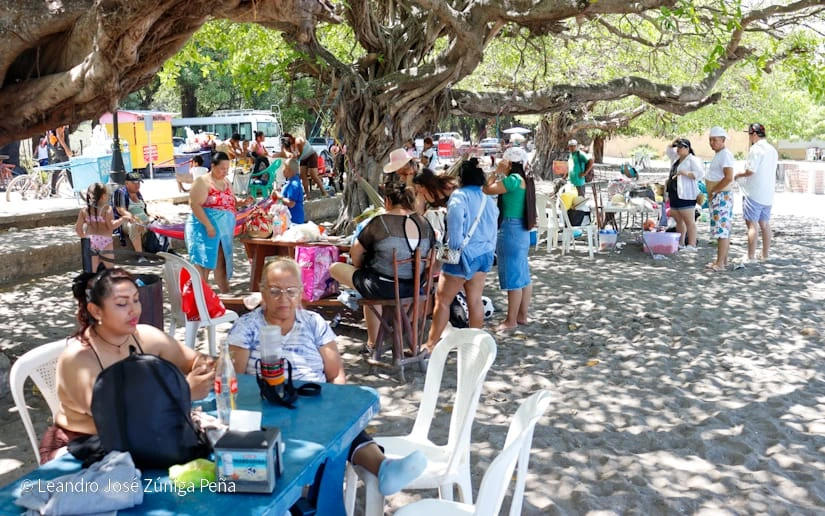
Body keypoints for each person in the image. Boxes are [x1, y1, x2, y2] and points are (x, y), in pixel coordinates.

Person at [226, 258, 427, 496]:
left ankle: (384, 468)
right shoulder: (247, 326)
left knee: (343, 425)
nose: (283, 298)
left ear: (301, 292)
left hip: (313, 401)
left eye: (291, 291)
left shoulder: (313, 323)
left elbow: (336, 373)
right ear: (262, 291)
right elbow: (235, 381)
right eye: (275, 291)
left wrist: (334, 404)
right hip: (266, 406)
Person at [39, 268, 215, 464]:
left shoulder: (145, 336)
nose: (134, 310)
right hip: (83, 446)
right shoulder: (79, 359)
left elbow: (198, 360)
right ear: (96, 310)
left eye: (136, 299)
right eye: (122, 303)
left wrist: (203, 368)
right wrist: (184, 392)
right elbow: (119, 416)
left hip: (144, 437)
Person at [330, 181, 435, 351]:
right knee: (372, 285)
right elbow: (431, 258)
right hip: (415, 288)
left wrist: (360, 269)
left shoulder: (381, 222)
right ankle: (386, 337)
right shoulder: (425, 224)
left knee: (335, 268)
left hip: (383, 286)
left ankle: (373, 344)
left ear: (387, 201)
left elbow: (356, 253)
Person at [423, 158, 498, 353]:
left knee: (443, 299)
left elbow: (455, 238)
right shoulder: (488, 199)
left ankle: (431, 345)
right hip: (484, 255)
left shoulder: (459, 197)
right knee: (475, 300)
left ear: (461, 179)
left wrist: (443, 256)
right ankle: (474, 345)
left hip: (462, 256)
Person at [483, 149, 536, 331]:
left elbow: (486, 189)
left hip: (510, 228)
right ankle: (522, 315)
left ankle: (511, 320)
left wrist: (497, 171)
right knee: (523, 275)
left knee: (514, 276)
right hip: (521, 230)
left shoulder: (513, 180)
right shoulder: (526, 180)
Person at [186, 151, 254, 293]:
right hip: (204, 229)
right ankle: (199, 300)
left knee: (221, 262)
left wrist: (243, 202)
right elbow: (194, 205)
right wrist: (208, 225)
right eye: (222, 168)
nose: (225, 172)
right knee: (203, 264)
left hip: (222, 232)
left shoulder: (226, 182)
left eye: (227, 169)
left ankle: (225, 293)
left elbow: (231, 203)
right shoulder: (202, 181)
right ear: (212, 166)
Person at [735, 123, 778, 262]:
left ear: (753, 134)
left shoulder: (756, 149)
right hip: (768, 194)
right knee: (765, 224)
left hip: (753, 193)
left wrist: (737, 175)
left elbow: (750, 171)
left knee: (752, 226)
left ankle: (750, 256)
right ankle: (765, 254)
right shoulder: (772, 150)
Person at [705, 127, 735, 271]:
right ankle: (723, 260)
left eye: (715, 140)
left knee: (722, 230)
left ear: (723, 140)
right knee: (721, 229)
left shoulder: (725, 155)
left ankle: (720, 263)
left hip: (721, 195)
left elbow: (728, 176)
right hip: (718, 195)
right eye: (710, 140)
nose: (712, 143)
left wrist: (715, 190)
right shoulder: (719, 155)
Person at [75, 183, 125, 271]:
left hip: (91, 241)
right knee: (109, 269)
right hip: (105, 241)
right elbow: (111, 226)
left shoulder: (84, 211)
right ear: (103, 196)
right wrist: (123, 219)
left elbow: (78, 229)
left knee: (92, 270)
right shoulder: (107, 210)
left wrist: (85, 238)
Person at [667, 138, 705, 250]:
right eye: (677, 147)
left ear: (687, 148)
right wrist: (673, 141)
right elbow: (669, 150)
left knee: (689, 221)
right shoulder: (676, 158)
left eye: (681, 147)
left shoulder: (692, 160)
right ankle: (681, 242)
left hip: (687, 193)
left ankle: (692, 244)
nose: (678, 149)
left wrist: (684, 173)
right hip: (674, 192)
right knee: (678, 219)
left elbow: (700, 174)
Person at [113, 171, 153, 256]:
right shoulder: (120, 192)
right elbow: (121, 210)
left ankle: (168, 249)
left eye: (139, 182)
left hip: (144, 221)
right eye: (134, 182)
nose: (137, 185)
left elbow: (143, 209)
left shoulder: (138, 194)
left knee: (163, 222)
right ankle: (140, 256)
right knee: (134, 226)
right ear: (126, 183)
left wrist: (153, 215)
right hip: (127, 221)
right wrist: (135, 219)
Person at [412, 167, 457, 243]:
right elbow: (418, 213)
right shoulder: (422, 193)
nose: (417, 189)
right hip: (438, 222)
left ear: (425, 184)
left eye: (419, 187)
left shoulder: (444, 186)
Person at [271, 158, 304, 224]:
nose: (282, 170)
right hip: (288, 219)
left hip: (294, 221)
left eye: (284, 167)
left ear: (289, 170)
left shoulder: (294, 184)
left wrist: (279, 196)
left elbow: (291, 204)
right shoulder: (291, 182)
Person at [48, 125, 73, 194]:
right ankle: (75, 189)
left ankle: (52, 190)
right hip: (60, 148)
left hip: (58, 148)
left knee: (57, 168)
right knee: (69, 168)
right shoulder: (60, 123)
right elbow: (59, 137)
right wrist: (67, 149)